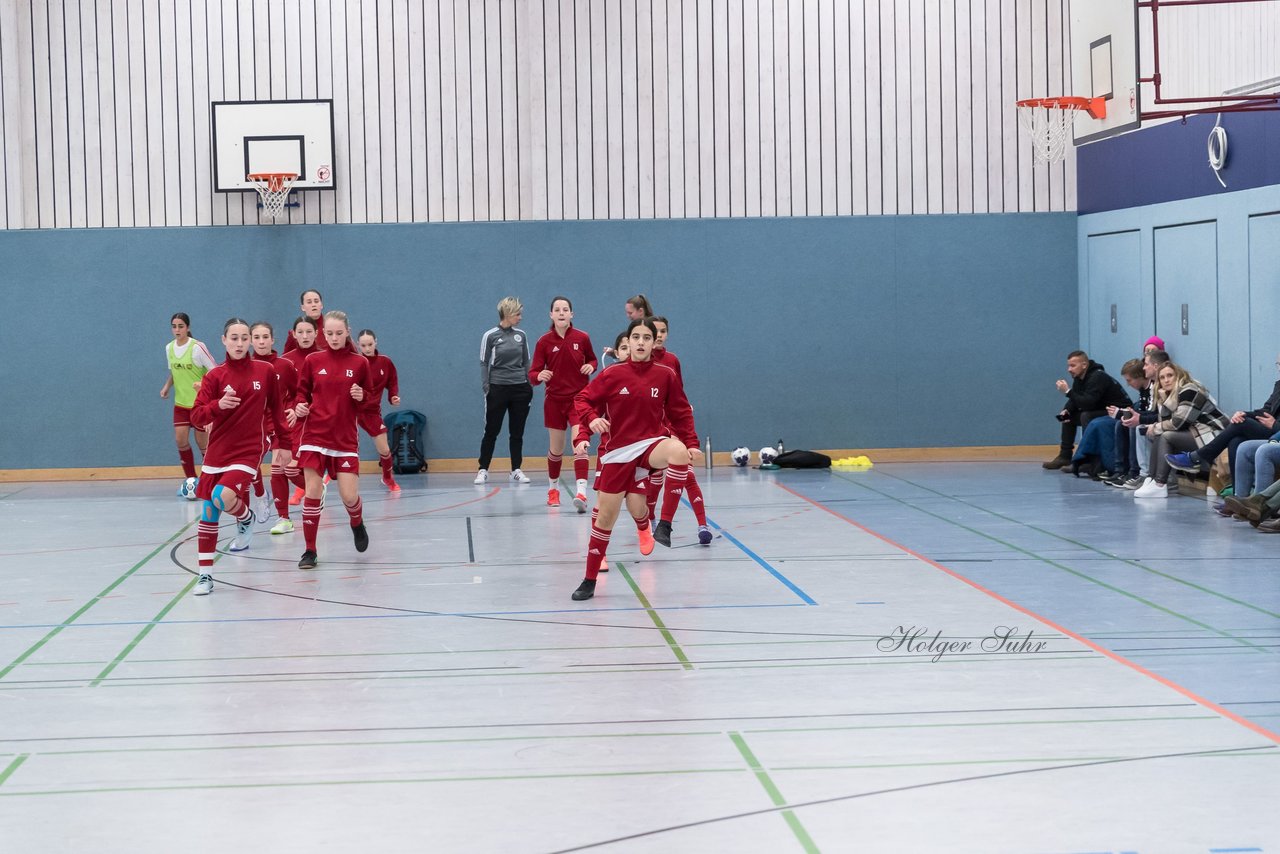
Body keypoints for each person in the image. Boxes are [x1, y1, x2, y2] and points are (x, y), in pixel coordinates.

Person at [569, 318, 701, 602]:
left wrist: (691, 443)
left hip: (651, 444)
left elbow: (680, 411)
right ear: (627, 343)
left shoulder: (666, 374)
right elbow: (582, 399)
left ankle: (664, 525)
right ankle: (589, 579)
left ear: (654, 343)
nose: (641, 342)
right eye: (636, 337)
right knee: (607, 516)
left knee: (677, 452)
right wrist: (591, 422)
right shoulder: (613, 374)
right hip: (617, 452)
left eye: (646, 337)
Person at [186, 318, 287, 596]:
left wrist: (284, 443)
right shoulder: (215, 376)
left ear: (251, 341)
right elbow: (196, 416)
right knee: (208, 512)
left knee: (222, 496)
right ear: (224, 340)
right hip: (218, 451)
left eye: (245, 338)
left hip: (249, 449)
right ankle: (205, 576)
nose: (240, 343)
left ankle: (245, 517)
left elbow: (278, 411)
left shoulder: (265, 371)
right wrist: (218, 405)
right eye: (234, 338)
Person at [293, 310, 374, 569]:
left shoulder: (360, 363)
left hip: (345, 439)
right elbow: (300, 394)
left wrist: (361, 395)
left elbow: (370, 400)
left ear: (348, 331)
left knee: (349, 497)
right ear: (322, 333)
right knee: (312, 492)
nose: (334, 337)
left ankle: (356, 522)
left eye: (339, 333)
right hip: (314, 435)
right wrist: (300, 406)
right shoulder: (313, 361)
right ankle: (310, 550)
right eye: (329, 333)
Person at [1165, 352, 1280, 484]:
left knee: (1241, 424)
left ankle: (1198, 457)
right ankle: (1237, 496)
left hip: (1277, 433)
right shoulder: (1279, 385)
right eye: (1278, 365)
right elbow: (1266, 410)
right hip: (1271, 430)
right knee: (1236, 439)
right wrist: (1243, 413)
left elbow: (1179, 421)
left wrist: (1275, 425)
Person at [529, 297, 597, 511]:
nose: (561, 313)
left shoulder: (582, 338)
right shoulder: (544, 342)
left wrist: (591, 367)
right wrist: (540, 374)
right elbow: (532, 374)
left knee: (580, 445)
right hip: (554, 402)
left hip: (578, 401)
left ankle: (581, 493)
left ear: (571, 314)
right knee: (556, 449)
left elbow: (593, 360)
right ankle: (553, 488)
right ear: (551, 315)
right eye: (557, 310)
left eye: (565, 309)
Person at [649, 316, 711, 544]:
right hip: (652, 431)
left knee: (688, 475)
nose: (659, 335)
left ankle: (703, 525)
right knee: (655, 480)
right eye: (654, 331)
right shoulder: (642, 361)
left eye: (663, 331)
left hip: (673, 427)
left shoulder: (672, 360)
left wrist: (685, 433)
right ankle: (652, 522)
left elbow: (678, 398)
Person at [1133, 362, 1228, 499]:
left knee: (1165, 436)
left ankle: (1160, 483)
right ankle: (1152, 479)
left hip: (1214, 434)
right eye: (1162, 377)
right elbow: (1165, 422)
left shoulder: (1190, 389)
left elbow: (1179, 423)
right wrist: (1164, 401)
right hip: (1197, 433)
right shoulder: (1169, 394)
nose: (1166, 380)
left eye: (1170, 375)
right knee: (1162, 434)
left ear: (1178, 376)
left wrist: (1156, 427)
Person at [249, 322, 306, 534]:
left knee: (281, 468)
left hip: (280, 425)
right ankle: (260, 496)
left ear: (273, 340)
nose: (261, 341)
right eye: (257, 337)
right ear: (250, 340)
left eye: (265, 337)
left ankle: (284, 518)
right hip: (256, 427)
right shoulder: (246, 366)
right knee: (253, 467)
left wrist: (293, 409)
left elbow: (298, 392)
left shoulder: (285, 365)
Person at [476, 297, 534, 485]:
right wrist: (487, 387)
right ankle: (483, 469)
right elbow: (484, 362)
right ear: (507, 315)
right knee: (491, 430)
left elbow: (526, 361)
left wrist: (528, 384)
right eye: (517, 314)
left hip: (520, 389)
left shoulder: (521, 335)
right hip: (497, 389)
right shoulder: (490, 335)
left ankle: (516, 469)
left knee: (517, 432)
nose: (520, 317)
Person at [1043, 351, 1131, 470]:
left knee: (1086, 416)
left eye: (1073, 365)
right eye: (1068, 366)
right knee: (1067, 417)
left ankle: (1087, 459)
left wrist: (1068, 392)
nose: (1069, 369)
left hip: (1119, 412)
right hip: (1101, 410)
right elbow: (1076, 399)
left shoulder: (1098, 377)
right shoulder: (1079, 378)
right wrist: (1067, 410)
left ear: (1084, 365)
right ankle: (1064, 455)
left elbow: (1088, 403)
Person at [160, 313, 216, 494]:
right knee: (180, 440)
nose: (177, 330)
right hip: (181, 404)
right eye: (174, 326)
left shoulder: (198, 348)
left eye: (181, 326)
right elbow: (174, 373)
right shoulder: (169, 348)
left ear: (188, 328)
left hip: (199, 404)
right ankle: (191, 480)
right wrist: (167, 386)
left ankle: (211, 480)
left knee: (203, 444)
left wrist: (203, 385)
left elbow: (215, 372)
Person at [280, 317, 322, 506]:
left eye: (309, 332)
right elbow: (281, 392)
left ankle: (315, 490)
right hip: (295, 419)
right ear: (294, 334)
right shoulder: (286, 360)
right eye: (301, 332)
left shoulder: (324, 357)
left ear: (316, 333)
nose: (305, 336)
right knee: (289, 469)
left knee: (313, 464)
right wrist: (291, 410)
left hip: (322, 419)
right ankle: (315, 489)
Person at [356, 329, 403, 492]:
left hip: (372, 412)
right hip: (351, 410)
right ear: (358, 345)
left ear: (376, 342)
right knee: (342, 447)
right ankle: (327, 477)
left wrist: (393, 396)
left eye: (370, 344)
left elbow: (392, 382)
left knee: (384, 449)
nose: (367, 348)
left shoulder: (385, 362)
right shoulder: (355, 362)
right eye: (363, 345)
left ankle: (388, 478)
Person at [1103, 359, 1151, 489]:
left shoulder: (1153, 389)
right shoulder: (1143, 390)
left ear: (1140, 377)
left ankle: (1134, 472)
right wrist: (1120, 415)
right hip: (1148, 419)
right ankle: (1121, 470)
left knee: (1134, 427)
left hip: (1154, 422)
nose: (1128, 385)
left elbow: (1151, 413)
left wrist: (1137, 418)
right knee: (1120, 424)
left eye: (1129, 380)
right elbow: (1142, 411)